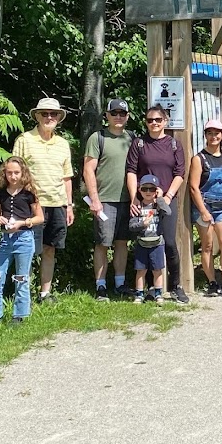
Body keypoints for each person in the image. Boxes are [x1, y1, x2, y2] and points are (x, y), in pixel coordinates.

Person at [125, 104, 189, 304]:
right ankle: (149, 287)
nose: (154, 123)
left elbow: (180, 173)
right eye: (150, 120)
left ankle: (175, 286)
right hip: (144, 201)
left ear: (165, 122)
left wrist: (168, 196)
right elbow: (131, 170)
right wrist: (134, 196)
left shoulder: (174, 144)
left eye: (158, 120)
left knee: (168, 242)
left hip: (166, 201)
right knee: (144, 241)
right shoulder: (139, 143)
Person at [13, 97, 74, 303]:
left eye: (53, 114)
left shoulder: (63, 144)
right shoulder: (24, 140)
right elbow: (14, 173)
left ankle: (44, 293)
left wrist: (69, 205)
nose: (49, 117)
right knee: (26, 250)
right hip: (31, 206)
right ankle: (23, 295)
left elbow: (67, 177)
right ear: (37, 116)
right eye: (45, 113)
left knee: (50, 249)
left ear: (59, 118)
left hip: (57, 203)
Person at [83, 97, 136, 301]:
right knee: (102, 243)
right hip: (104, 199)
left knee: (122, 242)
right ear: (107, 115)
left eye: (122, 113)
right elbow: (88, 170)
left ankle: (120, 283)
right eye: (114, 113)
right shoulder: (98, 138)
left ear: (128, 116)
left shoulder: (132, 138)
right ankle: (101, 286)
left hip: (127, 200)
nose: (118, 117)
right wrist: (94, 200)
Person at [189, 118, 222, 298]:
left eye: (216, 133)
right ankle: (211, 283)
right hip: (205, 206)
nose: (213, 136)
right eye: (210, 133)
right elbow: (193, 187)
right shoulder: (198, 158)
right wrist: (203, 211)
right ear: (205, 135)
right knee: (207, 246)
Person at [0, 157, 44, 324]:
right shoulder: (1, 193)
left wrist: (23, 223)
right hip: (5, 239)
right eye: (9, 173)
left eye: (16, 173)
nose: (13, 176)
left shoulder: (29, 193)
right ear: (5, 173)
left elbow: (40, 218)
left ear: (23, 173)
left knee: (21, 277)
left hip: (23, 238)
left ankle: (20, 315)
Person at [128, 174, 171, 306]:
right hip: (142, 242)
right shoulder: (137, 207)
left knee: (157, 270)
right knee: (141, 270)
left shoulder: (159, 206)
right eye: (144, 189)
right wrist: (142, 225)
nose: (148, 192)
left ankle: (158, 293)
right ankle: (139, 293)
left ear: (156, 191)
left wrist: (160, 198)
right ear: (139, 190)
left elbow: (168, 212)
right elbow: (131, 226)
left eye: (151, 189)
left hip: (157, 243)